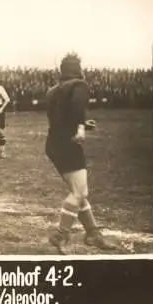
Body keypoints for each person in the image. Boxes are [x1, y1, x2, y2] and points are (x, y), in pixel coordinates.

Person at [45, 53, 113, 254]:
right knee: (79, 193)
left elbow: (60, 118)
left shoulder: (53, 90)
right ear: (78, 68)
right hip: (68, 144)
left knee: (79, 191)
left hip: (54, 143)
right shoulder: (79, 85)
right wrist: (80, 128)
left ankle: (93, 234)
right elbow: (76, 107)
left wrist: (82, 125)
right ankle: (61, 234)